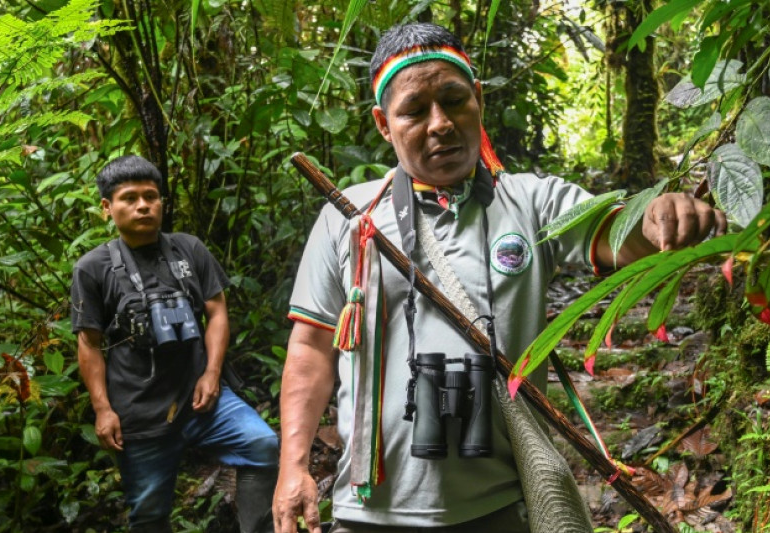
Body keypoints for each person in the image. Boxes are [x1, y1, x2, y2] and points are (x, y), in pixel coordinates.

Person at [274, 23, 726, 533]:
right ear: (384, 124)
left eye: (453, 100)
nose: (440, 123)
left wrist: (657, 215)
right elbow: (311, 347)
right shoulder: (349, 215)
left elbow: (617, 232)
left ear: (479, 100)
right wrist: (292, 467)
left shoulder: (532, 202)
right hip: (371, 510)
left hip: (499, 506)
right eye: (414, 110)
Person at [70, 155, 280, 533]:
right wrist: (103, 409)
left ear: (162, 202)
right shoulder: (93, 267)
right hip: (139, 411)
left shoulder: (189, 249)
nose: (143, 205)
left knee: (261, 445)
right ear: (107, 207)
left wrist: (213, 374)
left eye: (151, 196)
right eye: (129, 198)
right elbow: (89, 343)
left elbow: (217, 313)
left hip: (201, 398)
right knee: (149, 515)